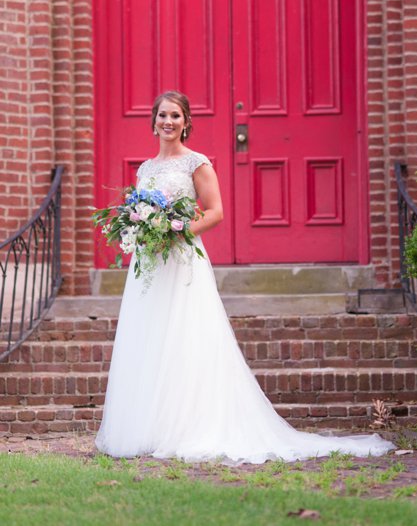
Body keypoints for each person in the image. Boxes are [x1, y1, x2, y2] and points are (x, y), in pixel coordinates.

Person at [94, 91, 394, 462]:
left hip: (183, 259)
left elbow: (215, 212)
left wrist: (175, 230)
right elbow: (138, 212)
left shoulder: (197, 164)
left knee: (185, 336)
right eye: (162, 116)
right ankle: (148, 426)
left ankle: (187, 425)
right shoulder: (144, 169)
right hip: (150, 266)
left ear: (186, 122)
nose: (168, 122)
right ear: (153, 121)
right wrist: (143, 231)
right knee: (149, 335)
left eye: (175, 116)